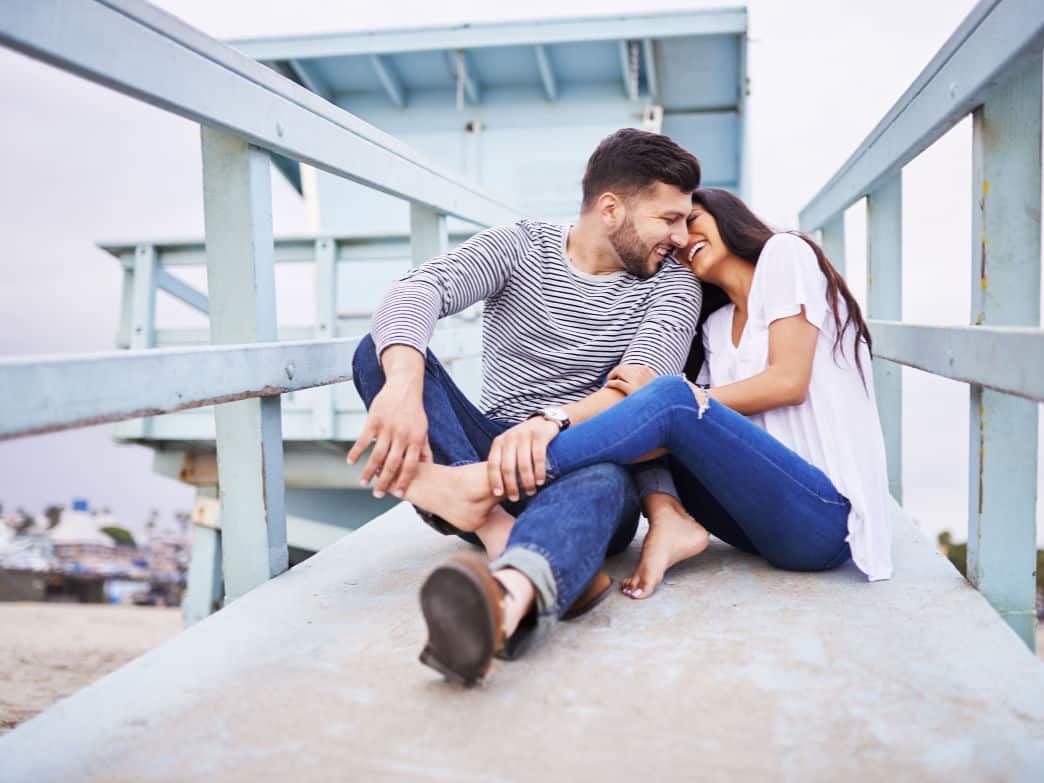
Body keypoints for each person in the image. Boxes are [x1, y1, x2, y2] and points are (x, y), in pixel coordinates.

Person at [402, 187, 893, 684]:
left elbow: (789, 381)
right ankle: (518, 599)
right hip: (757, 524)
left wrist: (669, 398)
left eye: (693, 220)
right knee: (651, 415)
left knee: (667, 400)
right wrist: (659, 421)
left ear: (730, 216)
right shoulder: (716, 326)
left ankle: (479, 484)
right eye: (673, 236)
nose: (682, 242)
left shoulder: (786, 254)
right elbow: (679, 432)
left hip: (823, 517)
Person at [347, 129, 704, 684]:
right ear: (611, 209)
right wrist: (402, 383)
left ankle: (503, 596)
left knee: (609, 481)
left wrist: (549, 425)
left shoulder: (673, 287)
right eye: (670, 219)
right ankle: (485, 516)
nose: (681, 237)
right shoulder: (522, 246)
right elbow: (420, 290)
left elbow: (641, 389)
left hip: (579, 459)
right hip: (485, 452)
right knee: (382, 353)